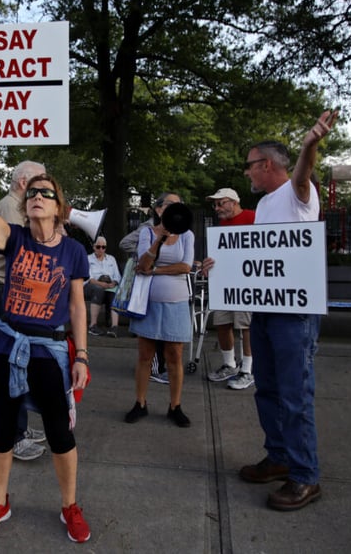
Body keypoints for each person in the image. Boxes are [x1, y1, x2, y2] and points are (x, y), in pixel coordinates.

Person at [206, 110, 338, 512]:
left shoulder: (300, 193)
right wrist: (221, 266)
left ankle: (304, 477)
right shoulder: (263, 206)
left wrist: (309, 144)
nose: (246, 173)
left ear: (266, 165)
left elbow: (301, 174)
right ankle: (279, 456)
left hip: (293, 316)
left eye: (249, 166)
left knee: (295, 394)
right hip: (264, 311)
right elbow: (254, 257)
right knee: (267, 389)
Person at [0, 128, 92, 543]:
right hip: (8, 345)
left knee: (60, 432)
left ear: (59, 207)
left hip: (51, 350)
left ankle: (69, 507)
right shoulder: (16, 237)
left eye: (46, 192)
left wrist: (82, 356)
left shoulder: (73, 251)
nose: (37, 196)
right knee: (2, 427)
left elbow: (77, 306)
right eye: (33, 192)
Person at [0, 159, 50, 461]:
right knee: (12, 362)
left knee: (18, 359)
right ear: (23, 183)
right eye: (38, 184)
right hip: (0, 287)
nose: (42, 192)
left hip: (3, 287)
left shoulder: (14, 206)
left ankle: (19, 426)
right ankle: (15, 435)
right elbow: (23, 250)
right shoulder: (11, 208)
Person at [124, 192, 194, 428]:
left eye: (179, 204)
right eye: (171, 204)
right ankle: (140, 403)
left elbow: (185, 266)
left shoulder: (187, 235)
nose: (176, 208)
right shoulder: (147, 232)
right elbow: (143, 263)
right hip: (149, 302)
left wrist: (155, 271)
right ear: (159, 210)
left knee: (174, 355)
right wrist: (158, 240)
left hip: (177, 302)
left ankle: (175, 406)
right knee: (145, 355)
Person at [203, 188, 256, 390]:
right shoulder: (223, 223)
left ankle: (247, 370)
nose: (217, 208)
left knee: (245, 325)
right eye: (214, 204)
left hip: (246, 281)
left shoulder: (252, 217)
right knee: (222, 323)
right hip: (224, 282)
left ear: (233, 201)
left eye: (220, 203)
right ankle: (230, 364)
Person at [120, 194, 173, 384]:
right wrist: (145, 254)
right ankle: (154, 367)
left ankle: (158, 366)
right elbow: (124, 243)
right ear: (158, 209)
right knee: (151, 329)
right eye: (170, 204)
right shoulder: (147, 228)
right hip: (148, 283)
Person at [85, 235, 121, 338]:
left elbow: (117, 276)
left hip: (109, 285)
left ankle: (114, 327)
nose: (101, 249)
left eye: (103, 247)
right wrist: (101, 284)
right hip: (93, 285)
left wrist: (113, 283)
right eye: (98, 247)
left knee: (114, 293)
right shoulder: (88, 259)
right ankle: (93, 325)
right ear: (93, 247)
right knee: (98, 290)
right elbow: (89, 278)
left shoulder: (111, 259)